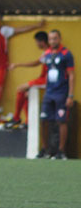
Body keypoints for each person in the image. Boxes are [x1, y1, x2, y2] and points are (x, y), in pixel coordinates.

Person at [36, 30, 74, 159]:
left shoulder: (66, 54)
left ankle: (61, 151)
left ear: (59, 39)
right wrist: (18, 65)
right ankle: (45, 150)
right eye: (50, 39)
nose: (52, 41)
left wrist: (70, 95)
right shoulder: (46, 54)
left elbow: (71, 75)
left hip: (61, 93)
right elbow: (37, 63)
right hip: (49, 93)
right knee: (43, 120)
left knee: (61, 121)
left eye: (55, 38)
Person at [8, 31, 50, 126]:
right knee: (25, 94)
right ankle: (28, 121)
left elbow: (35, 63)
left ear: (42, 42)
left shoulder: (48, 52)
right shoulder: (46, 52)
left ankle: (16, 117)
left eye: (37, 42)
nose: (36, 44)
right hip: (43, 79)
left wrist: (17, 64)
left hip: (46, 80)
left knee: (20, 88)